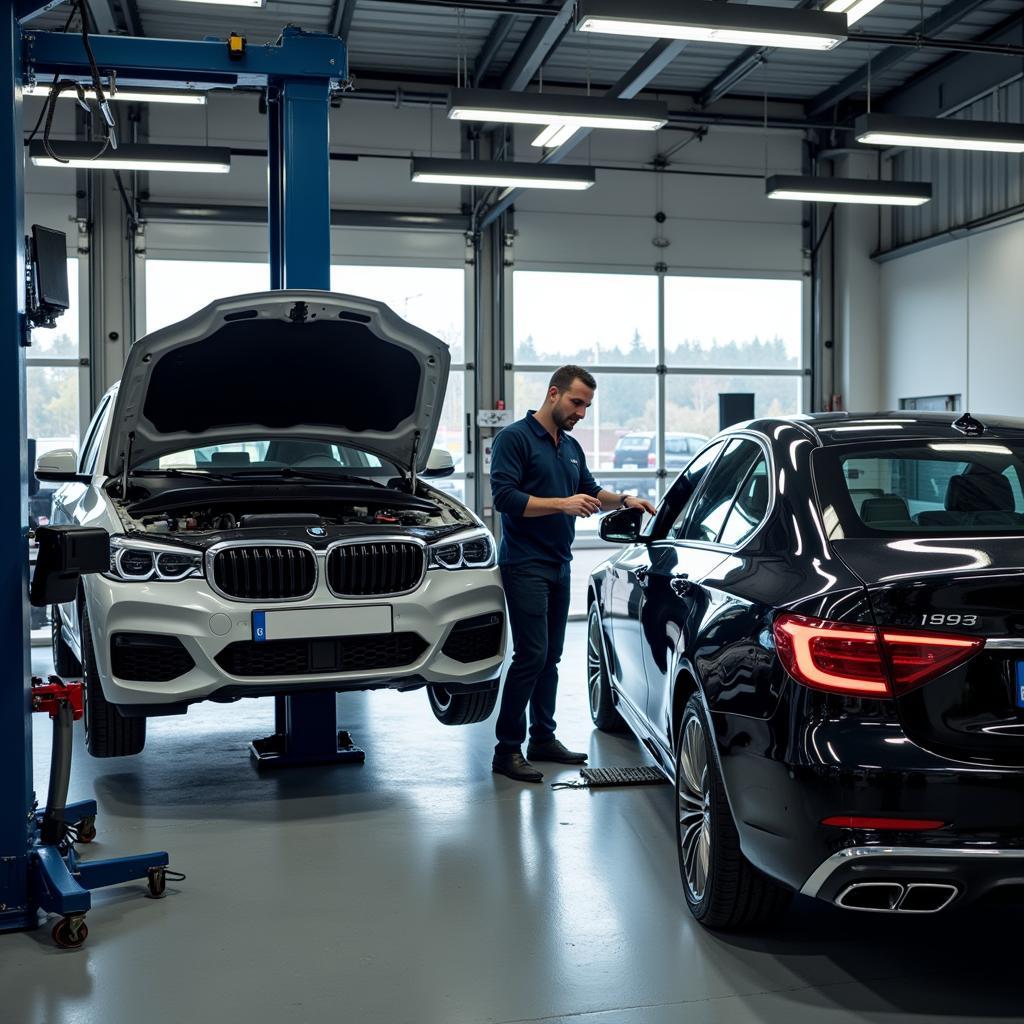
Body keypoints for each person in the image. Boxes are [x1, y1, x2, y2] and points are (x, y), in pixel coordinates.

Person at [489, 365, 658, 783]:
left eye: (586, 406)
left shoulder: (569, 446)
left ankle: (542, 739)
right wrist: (562, 504)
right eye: (576, 402)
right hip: (524, 562)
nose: (581, 412)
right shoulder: (514, 438)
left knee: (552, 657)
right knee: (531, 655)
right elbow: (504, 498)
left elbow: (590, 487)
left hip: (557, 562)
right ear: (553, 394)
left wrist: (623, 499)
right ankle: (506, 750)